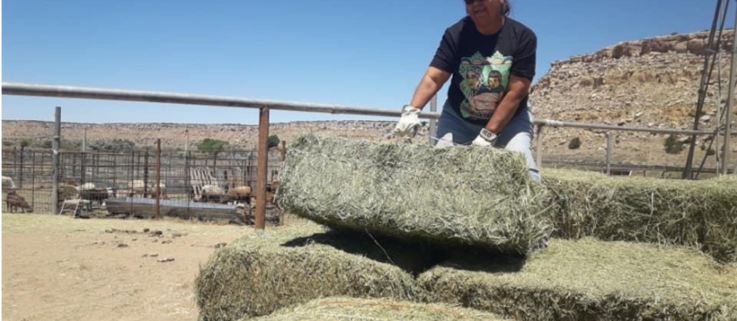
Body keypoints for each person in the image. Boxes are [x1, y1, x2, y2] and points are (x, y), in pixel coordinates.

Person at [394, 0, 540, 182]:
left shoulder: (523, 37)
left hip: (509, 122)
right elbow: (434, 77)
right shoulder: (456, 33)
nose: (475, 4)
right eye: (469, 1)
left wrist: (488, 135)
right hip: (459, 119)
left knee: (525, 174)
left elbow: (516, 92)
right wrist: (412, 110)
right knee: (439, 173)